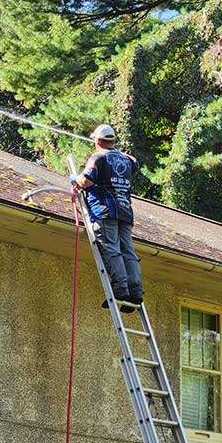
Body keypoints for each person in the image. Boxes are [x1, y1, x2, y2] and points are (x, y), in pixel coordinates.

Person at [71, 124, 143, 307]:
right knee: (128, 251)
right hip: (125, 212)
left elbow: (86, 180)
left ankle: (120, 290)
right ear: (112, 141)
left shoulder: (98, 157)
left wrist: (74, 178)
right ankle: (135, 290)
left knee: (112, 249)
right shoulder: (126, 161)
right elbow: (134, 161)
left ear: (97, 140)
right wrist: (118, 152)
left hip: (105, 211)